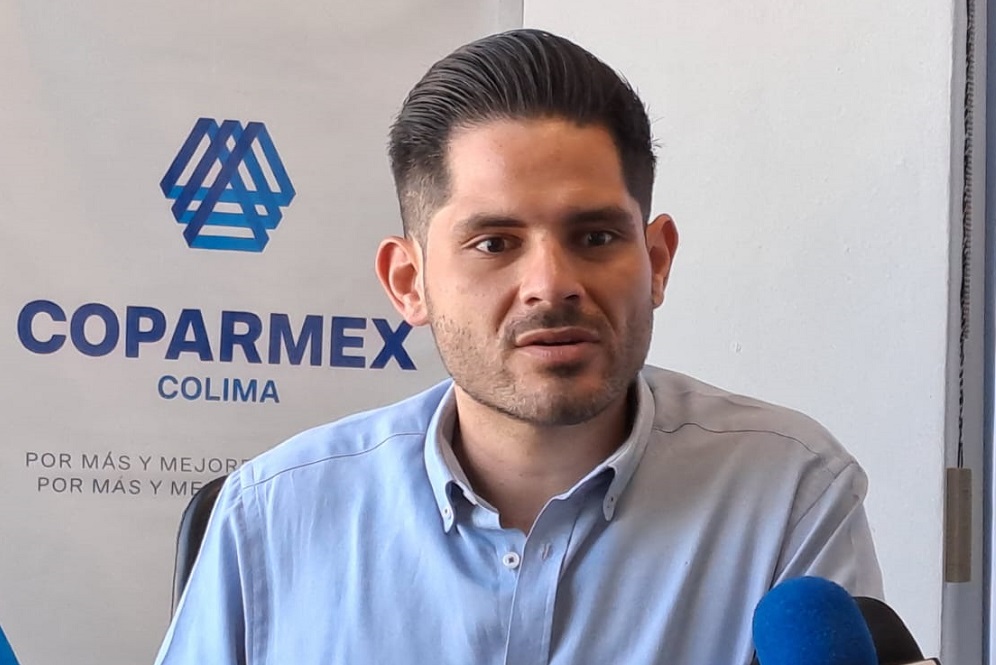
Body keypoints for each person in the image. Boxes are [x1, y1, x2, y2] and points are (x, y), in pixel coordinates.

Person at [154, 28, 882, 665]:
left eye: (595, 236)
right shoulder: (271, 517)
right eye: (495, 243)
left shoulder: (789, 492)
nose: (551, 284)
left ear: (656, 260)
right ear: (409, 282)